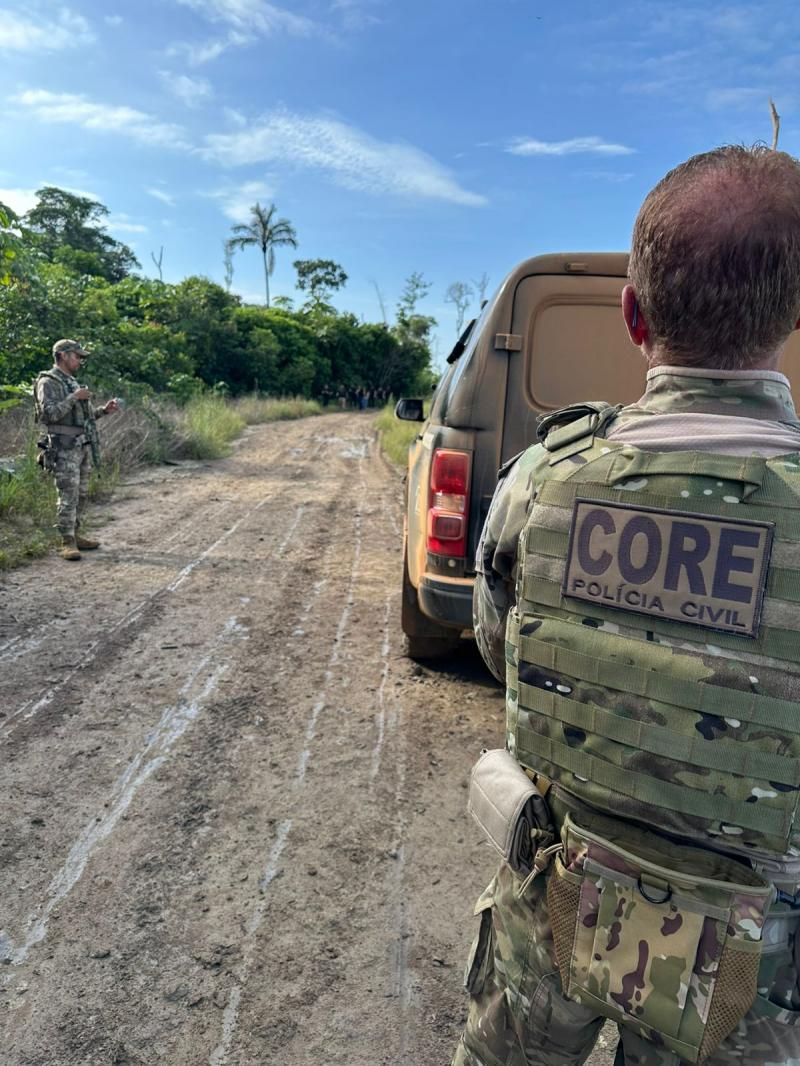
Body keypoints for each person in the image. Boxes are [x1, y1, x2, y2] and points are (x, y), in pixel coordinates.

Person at [453, 145, 800, 1066]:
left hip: (557, 885)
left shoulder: (544, 480)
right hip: (755, 964)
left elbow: (500, 650)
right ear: (793, 313)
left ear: (634, 314)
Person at [34, 339, 119, 561]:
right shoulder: (48, 382)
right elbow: (49, 414)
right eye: (77, 356)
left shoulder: (71, 381)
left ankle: (76, 534)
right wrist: (74, 397)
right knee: (68, 494)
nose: (80, 360)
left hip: (80, 446)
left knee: (81, 493)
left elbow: (84, 417)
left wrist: (104, 411)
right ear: (62, 355)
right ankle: (66, 541)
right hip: (63, 447)